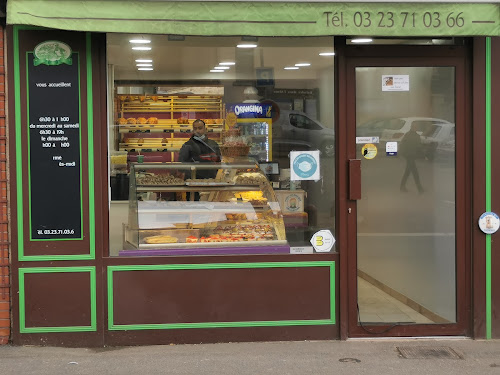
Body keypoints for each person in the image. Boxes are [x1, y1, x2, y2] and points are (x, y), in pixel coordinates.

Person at [400, 123, 425, 194]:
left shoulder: (413, 135)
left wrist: (422, 154)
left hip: (411, 156)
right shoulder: (410, 135)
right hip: (409, 156)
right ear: (412, 127)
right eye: (415, 127)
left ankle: (402, 186)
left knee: (408, 172)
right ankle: (420, 189)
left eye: (416, 127)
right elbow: (403, 145)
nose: (416, 128)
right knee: (415, 172)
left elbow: (418, 147)